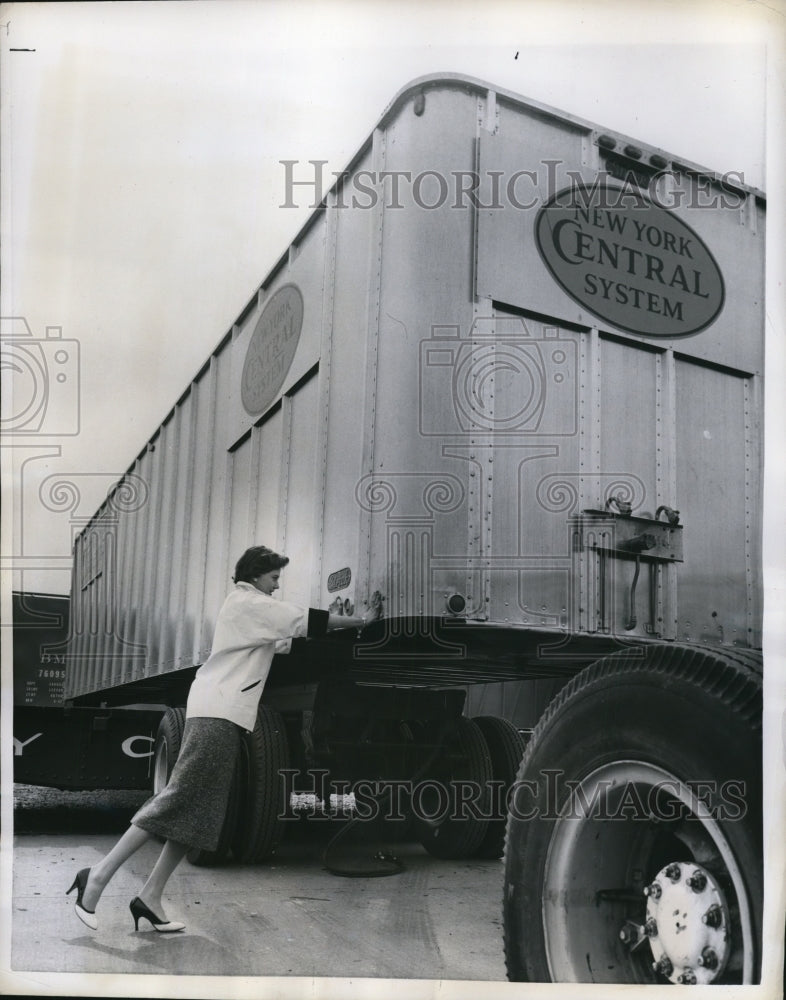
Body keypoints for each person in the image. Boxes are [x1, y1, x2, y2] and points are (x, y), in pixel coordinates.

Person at [66, 545, 367, 932]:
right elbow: (304, 620)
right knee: (178, 799)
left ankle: (151, 896)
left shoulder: (251, 610)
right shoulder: (247, 602)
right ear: (257, 575)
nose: (277, 587)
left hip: (224, 713)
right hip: (216, 712)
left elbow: (290, 636)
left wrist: (336, 624)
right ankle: (99, 875)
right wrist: (360, 619)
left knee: (200, 810)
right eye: (274, 579)